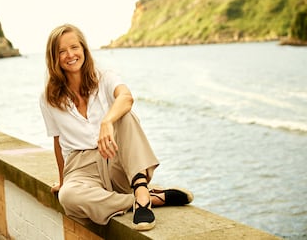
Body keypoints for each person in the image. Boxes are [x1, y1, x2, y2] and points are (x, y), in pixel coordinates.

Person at [40, 23, 193, 231]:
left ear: (83, 49)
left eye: (74, 47)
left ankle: (140, 189)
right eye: (61, 51)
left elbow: (126, 97)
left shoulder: (104, 77)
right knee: (68, 197)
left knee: (125, 114)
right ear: (54, 57)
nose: (70, 55)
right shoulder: (48, 98)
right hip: (81, 168)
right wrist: (62, 181)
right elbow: (57, 141)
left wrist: (107, 122)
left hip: (115, 158)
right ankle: (145, 200)